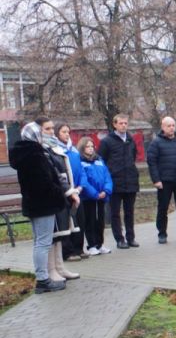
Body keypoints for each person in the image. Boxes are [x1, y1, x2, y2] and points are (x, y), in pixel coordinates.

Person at [9, 119, 77, 293]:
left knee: (40, 242)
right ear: (34, 135)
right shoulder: (35, 155)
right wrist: (57, 193)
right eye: (42, 132)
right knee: (43, 243)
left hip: (34, 203)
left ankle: (44, 278)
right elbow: (44, 181)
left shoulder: (25, 154)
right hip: (43, 204)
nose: (45, 134)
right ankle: (43, 280)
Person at [98, 114, 140, 249]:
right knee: (115, 213)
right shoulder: (107, 141)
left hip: (130, 181)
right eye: (121, 123)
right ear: (114, 124)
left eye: (125, 123)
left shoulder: (130, 140)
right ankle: (119, 239)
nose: (123, 126)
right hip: (114, 182)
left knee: (129, 212)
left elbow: (133, 156)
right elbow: (101, 161)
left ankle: (131, 238)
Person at [54, 123, 87, 261]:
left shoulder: (73, 150)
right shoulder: (56, 151)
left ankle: (79, 248)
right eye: (63, 132)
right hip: (66, 192)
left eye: (68, 131)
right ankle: (68, 251)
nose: (67, 134)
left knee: (80, 221)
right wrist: (69, 189)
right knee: (67, 222)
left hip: (77, 191)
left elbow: (81, 170)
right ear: (57, 133)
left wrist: (80, 186)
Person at [77, 136, 113, 255]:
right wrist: (95, 194)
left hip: (102, 196)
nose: (91, 148)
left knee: (100, 221)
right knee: (90, 220)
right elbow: (84, 181)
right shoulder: (81, 162)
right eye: (87, 146)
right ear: (82, 148)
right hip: (89, 198)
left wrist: (106, 190)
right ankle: (91, 245)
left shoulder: (99, 160)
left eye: (92, 146)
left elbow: (107, 176)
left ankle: (100, 244)